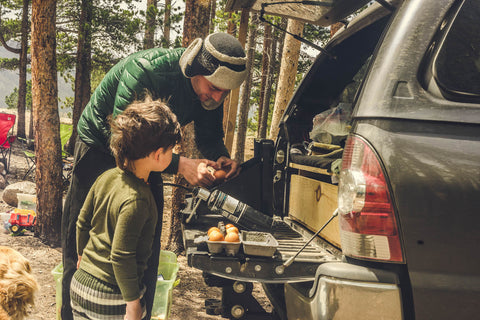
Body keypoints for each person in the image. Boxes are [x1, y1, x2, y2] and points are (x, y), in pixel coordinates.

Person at [61, 32, 247, 320]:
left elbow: (209, 135)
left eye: (224, 92)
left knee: (146, 239)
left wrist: (220, 155)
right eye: (213, 88)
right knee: (81, 241)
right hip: (101, 145)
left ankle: (138, 311)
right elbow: (124, 139)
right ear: (195, 69)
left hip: (154, 154)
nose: (217, 97)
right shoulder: (148, 71)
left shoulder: (211, 89)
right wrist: (180, 164)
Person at [70, 97, 181, 320]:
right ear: (158, 155)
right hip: (112, 297)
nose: (173, 155)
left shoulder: (106, 177)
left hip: (80, 285)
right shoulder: (138, 199)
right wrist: (133, 304)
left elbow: (82, 221)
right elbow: (121, 256)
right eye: (172, 150)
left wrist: (82, 254)